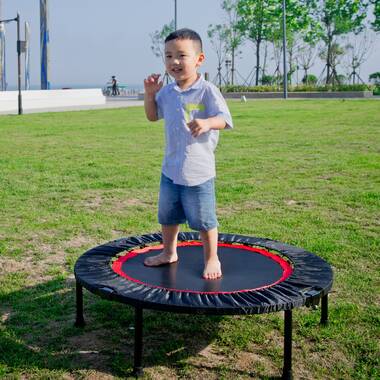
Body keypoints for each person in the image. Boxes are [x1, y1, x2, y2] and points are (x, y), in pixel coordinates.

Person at [143, 28, 233, 280]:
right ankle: (169, 252)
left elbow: (225, 119)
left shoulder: (207, 90)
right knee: (168, 216)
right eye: (168, 56)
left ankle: (212, 257)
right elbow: (152, 116)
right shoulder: (167, 92)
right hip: (170, 169)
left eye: (181, 55)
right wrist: (150, 95)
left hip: (198, 170)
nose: (174, 62)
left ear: (199, 59)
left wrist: (207, 123)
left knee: (204, 220)